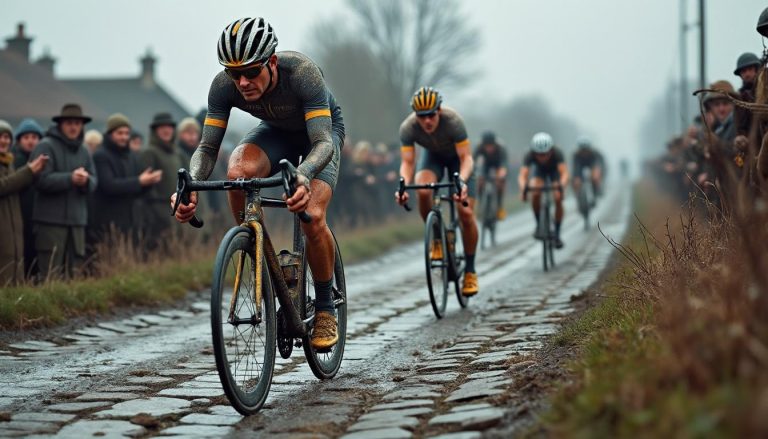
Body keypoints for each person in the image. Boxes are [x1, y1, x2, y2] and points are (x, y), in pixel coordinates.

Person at [171, 17, 345, 350]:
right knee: (238, 174)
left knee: (312, 214)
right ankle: (258, 252)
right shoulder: (222, 87)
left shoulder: (302, 74)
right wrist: (190, 184)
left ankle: (324, 306)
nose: (243, 81)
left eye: (252, 71)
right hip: (275, 133)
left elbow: (323, 142)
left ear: (273, 62)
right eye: (234, 73)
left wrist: (304, 175)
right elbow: (207, 148)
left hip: (320, 135)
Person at [394, 86, 479, 296]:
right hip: (433, 158)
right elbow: (407, 162)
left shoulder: (454, 122)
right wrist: (403, 182)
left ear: (439, 110)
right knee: (423, 189)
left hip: (458, 161)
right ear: (416, 115)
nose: (427, 121)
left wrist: (463, 182)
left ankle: (469, 270)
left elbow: (466, 158)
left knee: (466, 213)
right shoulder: (408, 128)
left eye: (431, 115)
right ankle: (437, 238)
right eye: (422, 116)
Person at [29, 104, 97, 279]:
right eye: (69, 123)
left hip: (76, 224)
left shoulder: (84, 150)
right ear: (60, 124)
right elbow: (39, 179)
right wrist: (70, 178)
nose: (74, 127)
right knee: (50, 275)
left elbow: (95, 181)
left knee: (73, 275)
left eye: (77, 123)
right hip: (50, 224)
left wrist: (85, 181)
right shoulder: (45, 146)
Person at [92, 114, 162, 242]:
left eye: (126, 133)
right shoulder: (100, 156)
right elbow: (109, 186)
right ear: (109, 134)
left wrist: (149, 182)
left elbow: (135, 190)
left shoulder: (130, 156)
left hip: (129, 221)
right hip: (108, 222)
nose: (124, 137)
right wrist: (139, 181)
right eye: (120, 133)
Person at [0, 120, 48, 285]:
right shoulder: (21, 165)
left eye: (7, 137)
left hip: (15, 227)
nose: (4, 141)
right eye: (0, 137)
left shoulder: (8, 162)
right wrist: (28, 172)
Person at [517, 132, 569, 249]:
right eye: (539, 154)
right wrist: (524, 189)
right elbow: (523, 175)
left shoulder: (557, 153)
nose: (542, 157)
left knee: (558, 197)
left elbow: (564, 173)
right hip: (539, 173)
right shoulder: (529, 154)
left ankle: (557, 233)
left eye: (545, 154)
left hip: (554, 172)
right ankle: (539, 224)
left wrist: (562, 186)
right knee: (535, 193)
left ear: (551, 151)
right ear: (534, 152)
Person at [140, 112, 183, 252]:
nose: (166, 130)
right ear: (155, 131)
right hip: (157, 213)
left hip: (175, 208)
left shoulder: (175, 153)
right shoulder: (149, 152)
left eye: (169, 127)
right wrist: (160, 212)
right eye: (162, 127)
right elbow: (146, 189)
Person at [11, 118, 44, 276]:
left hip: (38, 216)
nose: (31, 141)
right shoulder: (14, 161)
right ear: (19, 140)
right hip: (19, 216)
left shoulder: (44, 161)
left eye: (34, 137)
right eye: (26, 137)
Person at [473, 131, 508, 220]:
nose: (489, 148)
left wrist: (502, 174)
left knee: (500, 182)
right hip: (486, 165)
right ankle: (480, 205)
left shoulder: (501, 147)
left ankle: (500, 207)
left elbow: (504, 164)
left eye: (491, 146)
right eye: (486, 146)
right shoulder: (479, 147)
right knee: (479, 181)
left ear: (494, 144)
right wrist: (476, 173)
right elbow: (473, 161)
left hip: (498, 164)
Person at [571, 137, 603, 203]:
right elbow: (575, 168)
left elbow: (597, 166)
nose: (584, 152)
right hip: (580, 166)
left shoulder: (595, 154)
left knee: (595, 176)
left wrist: (595, 176)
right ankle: (577, 195)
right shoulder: (576, 155)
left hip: (592, 164)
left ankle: (596, 191)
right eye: (582, 150)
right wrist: (576, 179)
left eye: (586, 150)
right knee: (576, 180)